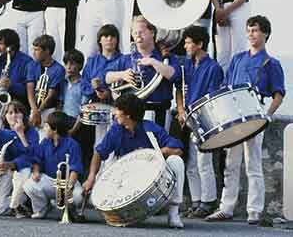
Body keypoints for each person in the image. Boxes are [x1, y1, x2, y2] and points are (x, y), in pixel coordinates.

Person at [206, 15, 285, 224]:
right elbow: (226, 86)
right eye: (249, 30)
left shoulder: (271, 63)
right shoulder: (238, 58)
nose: (251, 34)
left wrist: (267, 115)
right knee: (231, 163)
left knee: (253, 163)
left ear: (265, 34)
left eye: (256, 30)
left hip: (255, 112)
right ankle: (226, 207)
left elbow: (278, 93)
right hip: (234, 113)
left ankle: (254, 210)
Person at [82, 93, 186, 229]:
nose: (115, 113)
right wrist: (91, 177)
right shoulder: (116, 129)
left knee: (176, 161)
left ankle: (173, 213)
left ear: (128, 114)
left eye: (117, 110)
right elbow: (99, 153)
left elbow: (178, 149)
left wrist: (153, 153)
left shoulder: (151, 128)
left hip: (149, 173)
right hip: (126, 175)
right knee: (97, 196)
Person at [175, 26, 223, 218]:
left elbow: (212, 97)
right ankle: (196, 202)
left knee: (204, 161)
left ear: (200, 44)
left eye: (188, 42)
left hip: (204, 119)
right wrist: (180, 110)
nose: (185, 46)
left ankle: (208, 201)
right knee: (191, 163)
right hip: (186, 118)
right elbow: (178, 88)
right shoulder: (186, 64)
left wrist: (192, 114)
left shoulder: (213, 67)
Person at [104, 16, 179, 127]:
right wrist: (123, 75)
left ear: (152, 32)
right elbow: (107, 77)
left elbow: (174, 75)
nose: (137, 36)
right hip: (130, 114)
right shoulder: (126, 59)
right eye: (134, 33)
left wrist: (153, 62)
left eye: (141, 32)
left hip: (159, 112)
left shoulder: (164, 58)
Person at [23, 111, 84, 219]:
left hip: (68, 182)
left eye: (46, 126)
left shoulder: (73, 144)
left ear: (55, 129)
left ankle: (72, 210)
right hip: (50, 181)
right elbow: (37, 160)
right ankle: (42, 208)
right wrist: (36, 172)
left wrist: (69, 188)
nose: (44, 129)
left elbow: (75, 169)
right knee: (28, 185)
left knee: (78, 196)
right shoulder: (45, 142)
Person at [4, 101, 40, 218]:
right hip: (5, 169)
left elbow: (31, 155)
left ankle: (14, 206)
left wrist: (20, 133)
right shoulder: (2, 131)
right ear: (5, 116)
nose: (14, 115)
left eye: (17, 112)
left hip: (22, 168)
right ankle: (15, 204)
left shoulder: (32, 132)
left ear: (23, 115)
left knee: (23, 172)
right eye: (10, 113)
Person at [26, 35, 65, 130]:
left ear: (47, 51)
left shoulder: (58, 69)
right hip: (33, 107)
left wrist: (38, 111)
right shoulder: (31, 65)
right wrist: (35, 110)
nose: (33, 53)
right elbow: (30, 90)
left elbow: (51, 95)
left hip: (49, 110)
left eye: (37, 50)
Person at [0, 29, 32, 113]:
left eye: (0, 44)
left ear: (10, 46)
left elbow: (29, 91)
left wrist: (11, 85)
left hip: (20, 107)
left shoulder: (27, 62)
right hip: (1, 105)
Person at [61, 49, 85, 119]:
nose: (68, 67)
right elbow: (60, 104)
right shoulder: (63, 82)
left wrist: (73, 129)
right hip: (63, 121)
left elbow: (83, 111)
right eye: (66, 64)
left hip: (76, 121)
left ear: (80, 65)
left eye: (72, 64)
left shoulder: (83, 85)